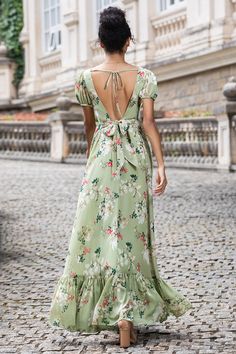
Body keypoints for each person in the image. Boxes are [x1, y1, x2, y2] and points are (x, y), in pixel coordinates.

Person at [48, 6, 192, 348]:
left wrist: (91, 157)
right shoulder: (144, 77)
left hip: (101, 157)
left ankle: (111, 311)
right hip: (133, 159)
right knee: (131, 232)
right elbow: (148, 124)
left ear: (100, 43)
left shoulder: (84, 79)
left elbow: (89, 126)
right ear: (128, 41)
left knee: (98, 232)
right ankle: (128, 314)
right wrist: (161, 164)